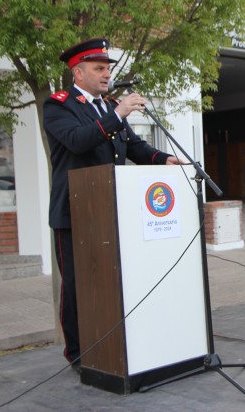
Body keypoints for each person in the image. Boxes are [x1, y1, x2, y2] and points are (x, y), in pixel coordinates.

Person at [43, 37, 181, 371]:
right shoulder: (59, 106)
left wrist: (164, 160)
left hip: (111, 211)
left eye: (108, 68)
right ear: (78, 72)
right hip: (74, 214)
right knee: (78, 287)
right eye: (99, 68)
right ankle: (77, 353)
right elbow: (78, 141)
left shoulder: (107, 106)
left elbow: (132, 146)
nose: (107, 74)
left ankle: (112, 342)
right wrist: (118, 113)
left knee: (112, 280)